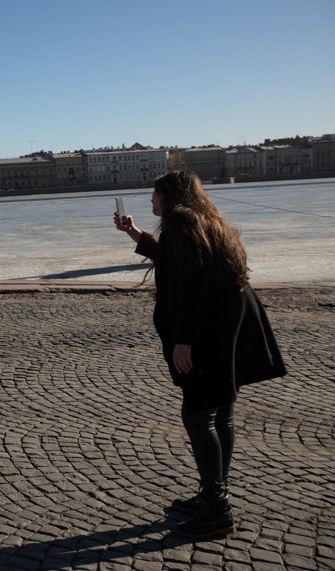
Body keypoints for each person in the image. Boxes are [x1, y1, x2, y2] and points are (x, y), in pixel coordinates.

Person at [114, 170, 285, 540]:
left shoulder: (180, 220)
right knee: (221, 411)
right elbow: (179, 263)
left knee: (197, 414)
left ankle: (217, 510)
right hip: (227, 324)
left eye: (154, 194)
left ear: (170, 196)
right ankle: (212, 496)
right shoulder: (205, 219)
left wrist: (184, 340)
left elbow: (192, 283)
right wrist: (134, 233)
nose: (151, 201)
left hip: (208, 330)